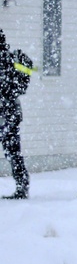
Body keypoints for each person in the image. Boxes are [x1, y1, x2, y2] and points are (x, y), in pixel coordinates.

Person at [0, 29, 33, 199]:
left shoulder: (9, 60)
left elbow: (25, 75)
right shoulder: (13, 58)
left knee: (12, 151)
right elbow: (26, 75)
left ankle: (22, 185)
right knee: (13, 152)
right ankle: (22, 185)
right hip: (11, 112)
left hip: (6, 112)